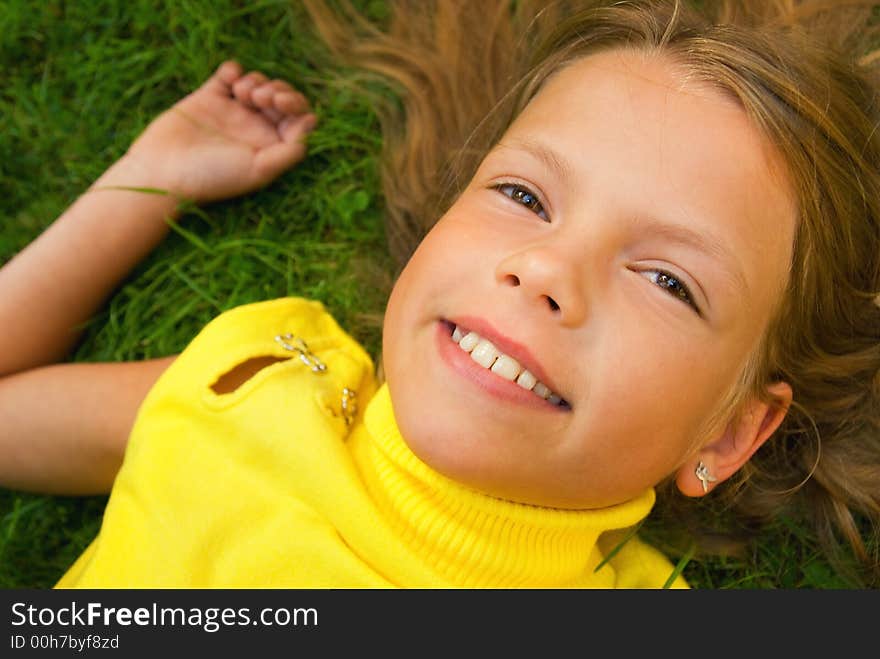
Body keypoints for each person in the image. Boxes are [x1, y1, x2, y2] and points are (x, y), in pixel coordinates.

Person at [1, 0, 878, 588]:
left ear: (728, 432)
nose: (545, 270)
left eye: (667, 279)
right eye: (524, 197)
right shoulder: (259, 377)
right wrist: (146, 181)